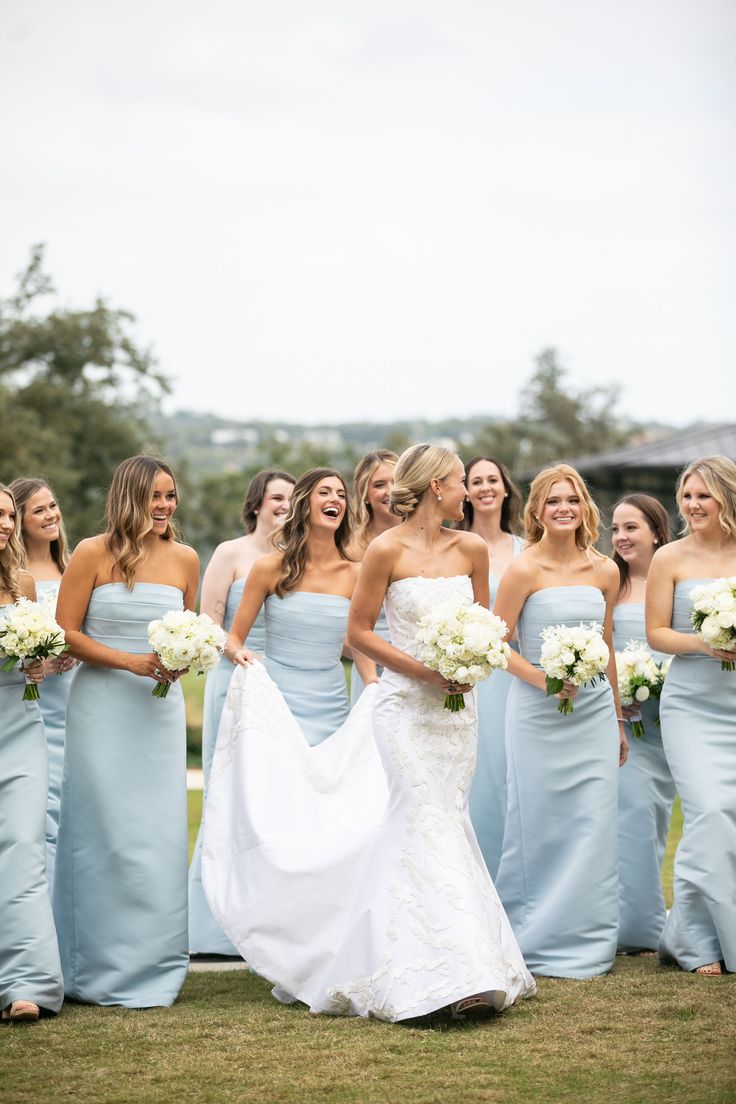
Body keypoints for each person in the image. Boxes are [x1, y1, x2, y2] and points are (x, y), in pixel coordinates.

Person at [203, 446, 536, 1021]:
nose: (465, 492)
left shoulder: (472, 549)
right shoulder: (383, 550)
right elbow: (360, 632)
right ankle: (440, 975)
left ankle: (467, 961)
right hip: (404, 706)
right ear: (436, 486)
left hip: (457, 711)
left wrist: (470, 664)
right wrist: (425, 670)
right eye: (459, 481)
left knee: (448, 820)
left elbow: (487, 627)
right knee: (419, 820)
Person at [54, 456, 198, 1007]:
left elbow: (189, 628)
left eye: (171, 496)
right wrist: (130, 662)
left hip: (156, 712)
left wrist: (183, 660)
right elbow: (66, 633)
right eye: (156, 496)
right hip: (101, 706)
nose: (165, 507)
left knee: (154, 833)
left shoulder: (186, 558)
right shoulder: (92, 553)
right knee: (101, 831)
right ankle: (87, 966)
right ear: (131, 497)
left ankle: (153, 966)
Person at [493, 463, 626, 978]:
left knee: (593, 823)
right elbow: (497, 646)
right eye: (553, 501)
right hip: (535, 713)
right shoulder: (523, 569)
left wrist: (615, 717)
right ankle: (528, 937)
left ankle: (588, 941)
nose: (563, 508)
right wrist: (544, 681)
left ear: (585, 507)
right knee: (537, 822)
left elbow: (608, 645)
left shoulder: (605, 571)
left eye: (571, 499)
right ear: (537, 511)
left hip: (592, 712)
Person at [188, 467, 294, 956]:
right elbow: (209, 622)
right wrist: (235, 654)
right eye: (275, 497)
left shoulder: (298, 558)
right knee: (228, 794)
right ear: (255, 504)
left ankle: (273, 919)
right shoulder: (230, 554)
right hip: (235, 680)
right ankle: (213, 925)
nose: (283, 506)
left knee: (276, 799)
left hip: (286, 684)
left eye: (292, 499)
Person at [646, 455, 736, 976]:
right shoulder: (670, 558)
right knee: (709, 813)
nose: (693, 505)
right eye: (687, 496)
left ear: (725, 497)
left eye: (704, 495)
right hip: (692, 706)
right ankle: (699, 942)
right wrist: (707, 643)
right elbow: (657, 632)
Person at [0, 482, 63, 1023]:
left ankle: (28, 984)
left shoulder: (21, 582)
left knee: (25, 844)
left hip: (21, 724)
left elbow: (34, 657)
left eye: (5, 516)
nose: (4, 524)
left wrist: (35, 664)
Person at [611, 494, 675, 954]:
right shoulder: (608, 585)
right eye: (615, 529)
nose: (621, 537)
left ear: (655, 530)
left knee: (656, 817)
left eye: (631, 527)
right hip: (625, 726)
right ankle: (635, 925)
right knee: (630, 817)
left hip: (672, 718)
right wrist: (616, 697)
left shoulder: (675, 580)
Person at [459, 457, 524, 879]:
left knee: (509, 774)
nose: (485, 487)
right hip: (465, 675)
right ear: (465, 492)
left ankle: (510, 879)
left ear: (505, 489)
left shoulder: (526, 549)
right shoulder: (454, 544)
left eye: (492, 480)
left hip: (514, 675)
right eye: (475, 481)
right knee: (472, 775)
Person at [10, 477, 76, 890]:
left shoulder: (72, 568)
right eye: (39, 510)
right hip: (36, 698)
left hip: (79, 696)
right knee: (43, 806)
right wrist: (43, 664)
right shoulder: (14, 577)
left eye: (53, 506)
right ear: (18, 521)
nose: (51, 515)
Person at [347, 449, 399, 703]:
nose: (390, 491)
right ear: (365, 495)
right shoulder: (350, 549)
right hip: (371, 671)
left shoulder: (426, 541)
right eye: (379, 485)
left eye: (396, 482)